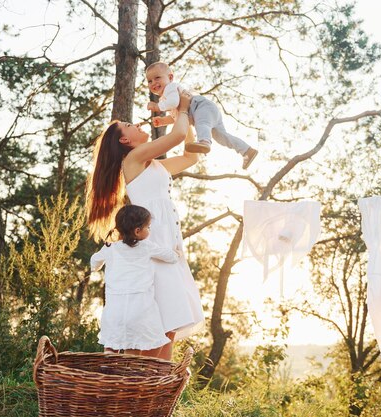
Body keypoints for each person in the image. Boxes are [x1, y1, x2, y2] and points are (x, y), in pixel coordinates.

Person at [86, 90, 204, 360]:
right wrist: (182, 110)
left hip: (167, 241)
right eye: (130, 126)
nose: (138, 124)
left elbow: (190, 157)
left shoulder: (152, 165)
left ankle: (158, 382)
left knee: (171, 317)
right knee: (162, 314)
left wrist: (178, 115)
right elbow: (174, 137)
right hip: (153, 243)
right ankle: (146, 376)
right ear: (125, 140)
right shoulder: (134, 158)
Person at [91, 205, 180, 356]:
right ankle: (128, 377)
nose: (150, 231)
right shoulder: (146, 247)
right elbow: (170, 257)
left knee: (111, 346)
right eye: (148, 227)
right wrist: (177, 253)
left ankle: (108, 374)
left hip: (114, 309)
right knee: (133, 349)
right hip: (139, 308)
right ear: (138, 231)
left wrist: (98, 265)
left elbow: (94, 263)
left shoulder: (110, 248)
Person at [146, 61, 259, 170]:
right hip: (208, 111)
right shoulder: (166, 98)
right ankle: (247, 151)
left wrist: (157, 106)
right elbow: (179, 116)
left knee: (202, 124)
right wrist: (163, 121)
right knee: (222, 138)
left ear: (170, 78)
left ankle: (204, 142)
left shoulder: (170, 88)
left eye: (157, 78)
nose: (153, 83)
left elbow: (174, 102)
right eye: (149, 81)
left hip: (201, 107)